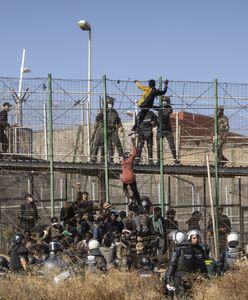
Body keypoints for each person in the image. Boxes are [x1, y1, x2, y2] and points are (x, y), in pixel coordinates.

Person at [165, 229, 208, 297]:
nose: (196, 240)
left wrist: (168, 276)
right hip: (191, 276)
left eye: (197, 238)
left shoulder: (179, 249)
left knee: (181, 294)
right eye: (194, 238)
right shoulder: (191, 249)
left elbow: (172, 264)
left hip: (180, 276)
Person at [90, 96, 124, 164]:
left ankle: (118, 158)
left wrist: (120, 126)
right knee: (97, 143)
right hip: (103, 128)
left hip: (112, 129)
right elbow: (97, 119)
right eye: (109, 103)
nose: (110, 105)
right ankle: (93, 158)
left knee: (116, 143)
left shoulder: (114, 112)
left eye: (111, 103)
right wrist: (95, 128)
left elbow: (118, 119)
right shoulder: (103, 111)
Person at [156, 96, 178, 164]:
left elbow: (165, 116)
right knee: (159, 145)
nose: (164, 102)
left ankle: (175, 159)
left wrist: (160, 112)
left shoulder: (169, 108)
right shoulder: (159, 108)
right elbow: (152, 106)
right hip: (160, 129)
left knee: (172, 145)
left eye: (165, 101)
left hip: (168, 130)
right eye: (163, 101)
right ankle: (159, 160)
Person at [120, 137, 141, 206]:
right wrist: (133, 143)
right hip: (131, 177)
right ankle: (138, 202)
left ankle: (129, 198)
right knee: (135, 190)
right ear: (129, 156)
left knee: (124, 188)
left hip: (124, 178)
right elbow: (134, 153)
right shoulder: (130, 160)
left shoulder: (122, 162)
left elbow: (122, 157)